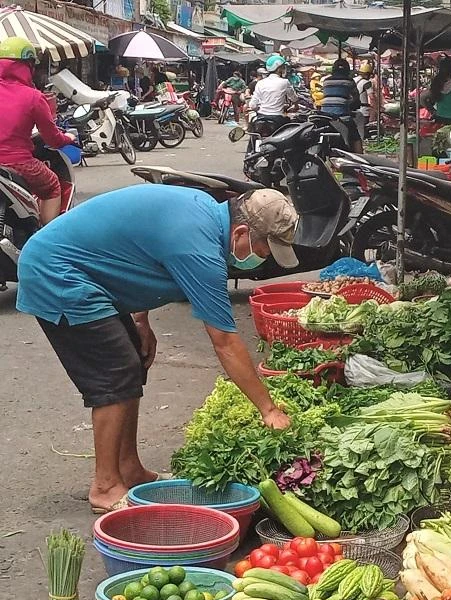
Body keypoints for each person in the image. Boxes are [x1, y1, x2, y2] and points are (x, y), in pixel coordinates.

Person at [16, 184, 300, 513]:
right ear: (240, 232)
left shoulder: (205, 215)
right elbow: (225, 341)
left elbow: (140, 253)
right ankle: (105, 486)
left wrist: (141, 320)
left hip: (87, 272)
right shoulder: (200, 248)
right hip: (58, 272)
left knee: (131, 361)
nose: (264, 258)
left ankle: (131, 470)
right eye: (265, 248)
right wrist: (269, 410)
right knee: (116, 373)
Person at [0, 37, 76, 224]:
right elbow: (53, 140)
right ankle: (44, 238)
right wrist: (68, 138)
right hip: (17, 163)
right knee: (52, 186)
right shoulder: (34, 97)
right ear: (28, 65)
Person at [321, 59, 362, 152]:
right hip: (341, 115)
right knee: (355, 136)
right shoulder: (349, 81)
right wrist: (355, 103)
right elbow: (356, 98)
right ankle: (360, 158)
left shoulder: (326, 81)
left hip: (324, 115)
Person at [248, 54, 299, 128]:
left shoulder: (260, 83)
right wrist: (296, 106)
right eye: (283, 67)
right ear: (278, 69)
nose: (284, 69)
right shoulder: (285, 82)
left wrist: (259, 109)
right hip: (278, 119)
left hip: (261, 117)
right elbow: (294, 98)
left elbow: (252, 105)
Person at [355, 61, 375, 140]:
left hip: (354, 108)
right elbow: (372, 97)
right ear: (367, 74)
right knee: (363, 128)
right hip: (364, 110)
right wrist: (376, 107)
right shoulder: (367, 83)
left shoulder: (354, 80)